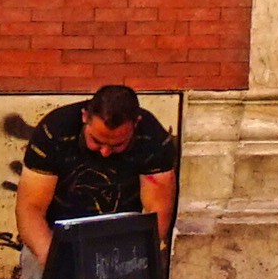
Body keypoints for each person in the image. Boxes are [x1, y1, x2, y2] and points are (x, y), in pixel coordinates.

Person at [16, 84, 183, 259]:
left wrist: (133, 260)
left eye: (117, 145)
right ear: (84, 117)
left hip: (122, 241)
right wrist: (52, 260)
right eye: (96, 140)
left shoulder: (153, 138)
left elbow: (157, 212)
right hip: (54, 236)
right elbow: (31, 208)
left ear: (136, 124)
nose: (105, 152)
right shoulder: (54, 131)